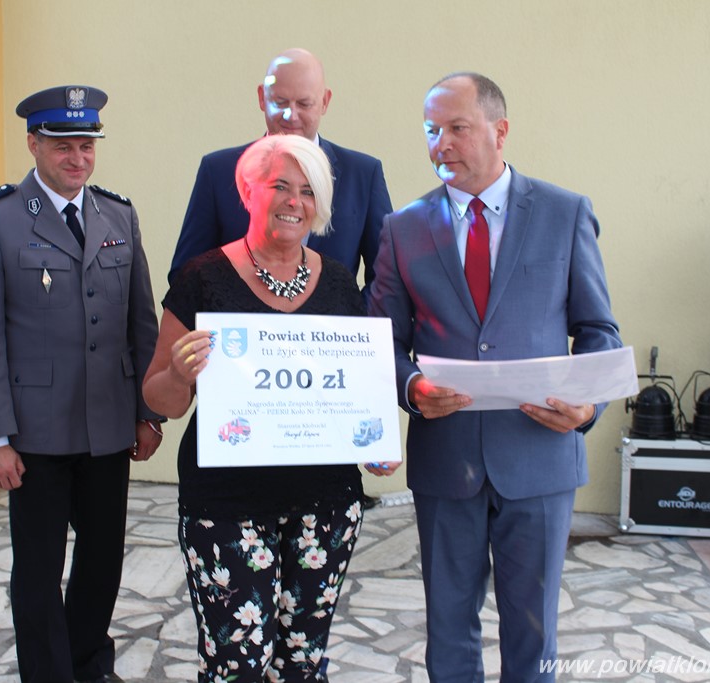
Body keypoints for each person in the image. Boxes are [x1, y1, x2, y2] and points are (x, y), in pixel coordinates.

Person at [367, 73, 622, 682]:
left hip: (539, 457)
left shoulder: (564, 212)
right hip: (446, 459)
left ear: (499, 130)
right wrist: (411, 389)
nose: (441, 143)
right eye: (432, 130)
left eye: (457, 128)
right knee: (448, 627)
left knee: (533, 632)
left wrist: (587, 407)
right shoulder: (403, 228)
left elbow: (599, 331)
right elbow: (380, 343)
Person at [143, 134, 398, 682]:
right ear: (247, 191)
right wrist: (180, 374)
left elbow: (355, 385)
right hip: (226, 504)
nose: (293, 202)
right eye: (280, 185)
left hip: (325, 503)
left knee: (302, 663)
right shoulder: (201, 278)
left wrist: (375, 442)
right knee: (236, 665)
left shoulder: (339, 282)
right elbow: (158, 396)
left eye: (308, 191)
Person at [0, 85, 163, 683]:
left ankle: (87, 665)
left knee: (102, 563)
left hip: (108, 425)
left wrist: (148, 412)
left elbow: (141, 322)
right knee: (39, 572)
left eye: (87, 145)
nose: (78, 158)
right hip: (34, 434)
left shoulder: (118, 215)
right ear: (33, 144)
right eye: (63, 145)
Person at [168, 47, 392, 292]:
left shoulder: (363, 174)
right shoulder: (218, 171)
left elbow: (386, 278)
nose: (291, 115)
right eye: (280, 102)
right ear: (261, 98)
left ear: (325, 102)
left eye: (304, 104)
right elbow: (185, 276)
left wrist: (348, 313)